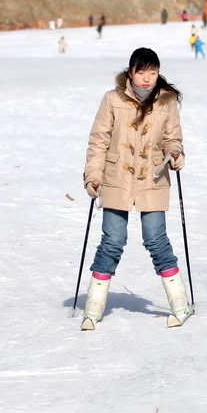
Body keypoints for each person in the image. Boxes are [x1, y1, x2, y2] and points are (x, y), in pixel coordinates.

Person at [81, 47, 191, 329]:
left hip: (152, 178)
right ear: (130, 72)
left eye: (152, 72)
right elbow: (98, 141)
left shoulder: (167, 103)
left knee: (156, 239)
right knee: (112, 241)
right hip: (116, 176)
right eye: (141, 72)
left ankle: (180, 301)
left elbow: (172, 139)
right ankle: (94, 304)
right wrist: (93, 176)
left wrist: (176, 154)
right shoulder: (112, 99)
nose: (147, 78)